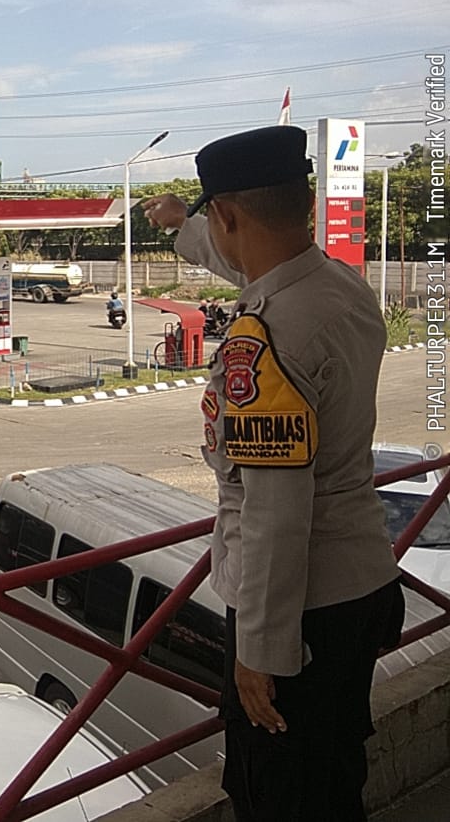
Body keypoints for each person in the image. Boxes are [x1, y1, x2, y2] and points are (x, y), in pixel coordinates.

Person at [142, 125, 403, 822]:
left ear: (227, 214)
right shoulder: (339, 286)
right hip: (360, 582)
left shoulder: (269, 337)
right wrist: (185, 222)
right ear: (306, 202)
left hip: (299, 614)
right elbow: (254, 266)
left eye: (214, 217)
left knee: (278, 796)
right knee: (333, 778)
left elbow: (275, 512)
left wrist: (261, 651)